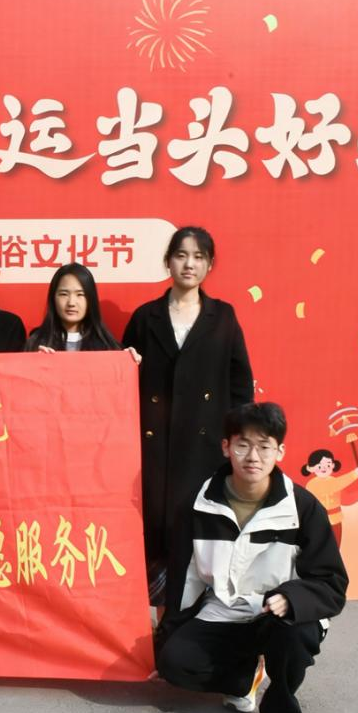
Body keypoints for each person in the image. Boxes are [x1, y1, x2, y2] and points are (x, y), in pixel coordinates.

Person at [156, 402, 348, 713]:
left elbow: (331, 582)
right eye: (243, 445)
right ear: (226, 447)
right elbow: (186, 576)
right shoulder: (198, 505)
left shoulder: (302, 507)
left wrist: (292, 598)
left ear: (280, 451)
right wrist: (170, 632)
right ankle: (244, 678)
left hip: (279, 615)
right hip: (224, 609)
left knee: (296, 635)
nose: (253, 456)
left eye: (264, 446)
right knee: (174, 661)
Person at [121, 226, 254, 605]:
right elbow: (120, 378)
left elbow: (240, 384)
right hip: (153, 447)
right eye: (181, 255)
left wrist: (236, 442)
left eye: (198, 257)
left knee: (198, 535)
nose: (189, 264)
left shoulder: (222, 317)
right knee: (153, 533)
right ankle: (157, 619)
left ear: (209, 264)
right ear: (168, 262)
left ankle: (195, 620)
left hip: (205, 447)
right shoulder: (146, 317)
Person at [25, 263, 131, 353]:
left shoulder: (109, 346)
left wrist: (129, 360)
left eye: (80, 294)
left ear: (91, 299)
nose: (71, 303)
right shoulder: (36, 343)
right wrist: (35, 360)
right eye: (64, 294)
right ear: (53, 298)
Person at [300, 449, 358, 547]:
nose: (324, 468)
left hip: (336, 520)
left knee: (336, 545)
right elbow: (333, 485)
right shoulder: (312, 484)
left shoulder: (334, 481)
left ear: (333, 465)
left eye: (328, 465)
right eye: (319, 466)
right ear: (311, 468)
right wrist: (354, 474)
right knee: (321, 546)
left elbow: (345, 499)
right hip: (319, 521)